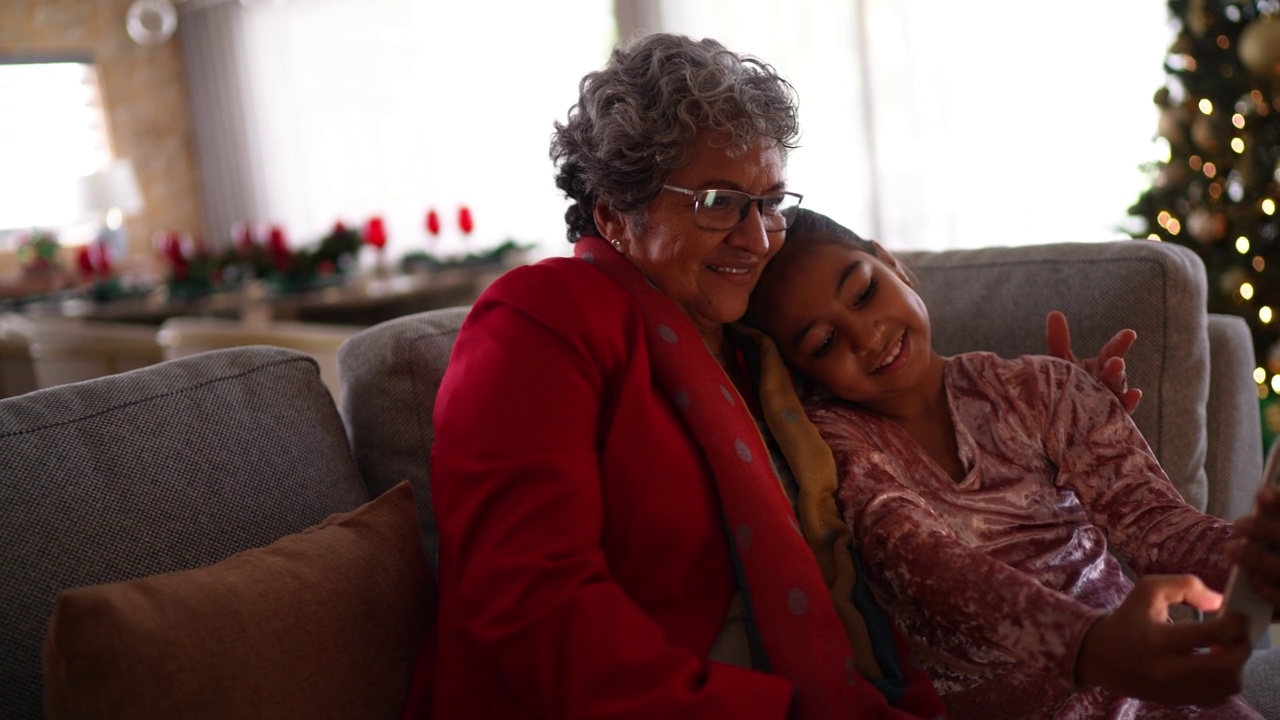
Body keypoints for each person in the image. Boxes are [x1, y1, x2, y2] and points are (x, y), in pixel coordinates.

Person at [402, 33, 1149, 720]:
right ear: (615, 214)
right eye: (719, 203)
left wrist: (1052, 425)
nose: (757, 238)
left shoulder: (760, 354)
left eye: (768, 202)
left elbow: (906, 483)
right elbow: (530, 605)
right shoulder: (540, 318)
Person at [742, 207, 1274, 719]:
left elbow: (1157, 526)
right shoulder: (838, 442)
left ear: (890, 263)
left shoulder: (1042, 388)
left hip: (1154, 690)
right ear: (804, 372)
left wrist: (1249, 560)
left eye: (864, 293)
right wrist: (1084, 644)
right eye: (825, 342)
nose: (866, 336)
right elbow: (928, 564)